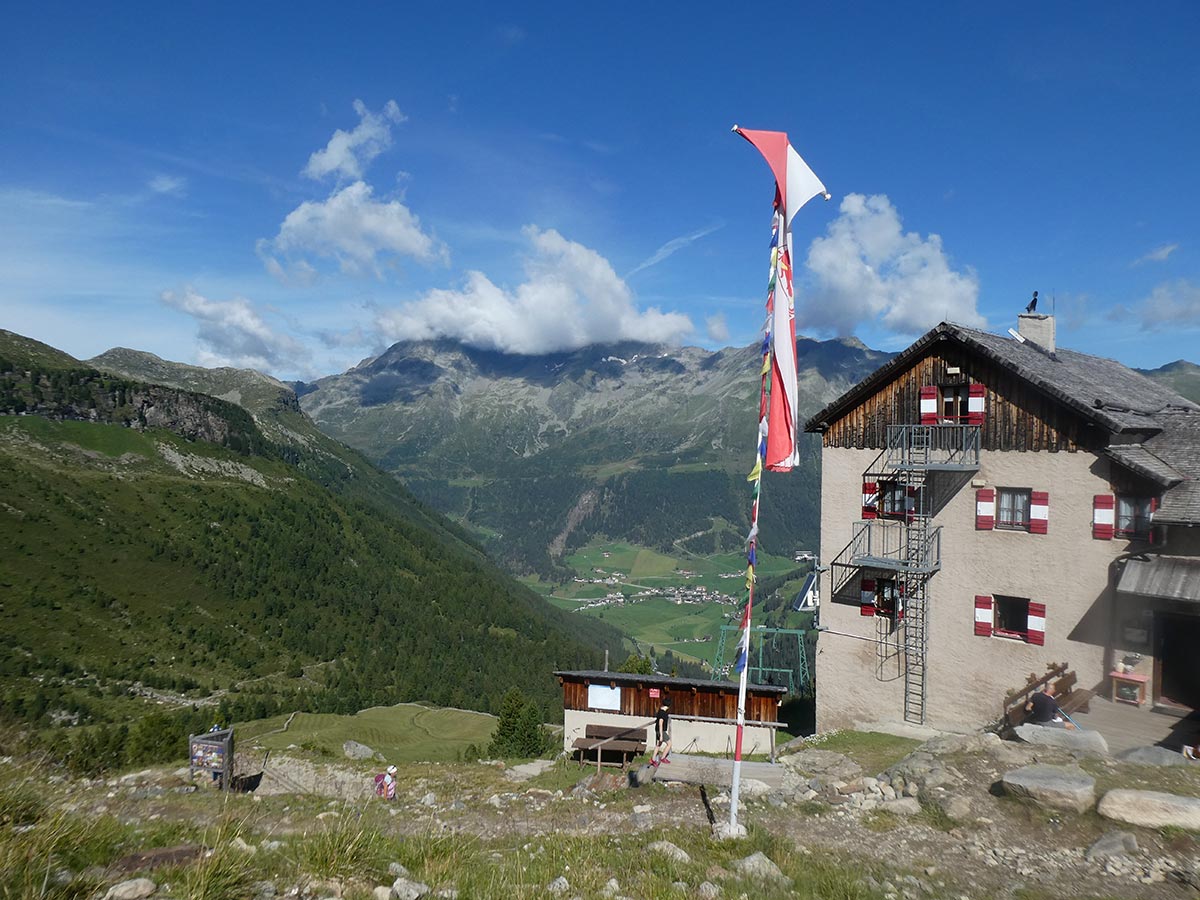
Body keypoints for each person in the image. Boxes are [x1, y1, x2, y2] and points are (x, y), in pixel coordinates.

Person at [651, 698, 672, 767]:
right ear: (669, 705)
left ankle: (653, 759)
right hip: (661, 731)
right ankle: (663, 758)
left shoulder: (660, 710)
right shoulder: (664, 713)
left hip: (658, 730)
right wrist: (661, 735)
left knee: (658, 745)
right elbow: (660, 722)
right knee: (669, 744)